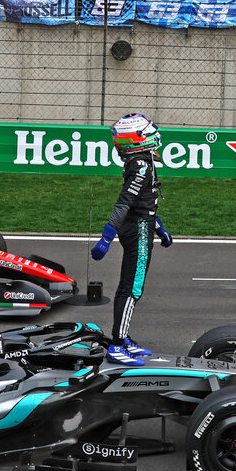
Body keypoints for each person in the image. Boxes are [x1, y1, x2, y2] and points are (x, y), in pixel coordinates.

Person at [90, 113, 174, 363]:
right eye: (149, 133)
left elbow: (142, 204)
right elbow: (124, 203)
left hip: (140, 226)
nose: (155, 136)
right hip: (137, 231)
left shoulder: (141, 161)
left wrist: (159, 228)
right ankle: (117, 345)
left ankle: (123, 336)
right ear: (136, 140)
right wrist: (106, 238)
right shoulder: (141, 166)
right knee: (132, 289)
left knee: (129, 287)